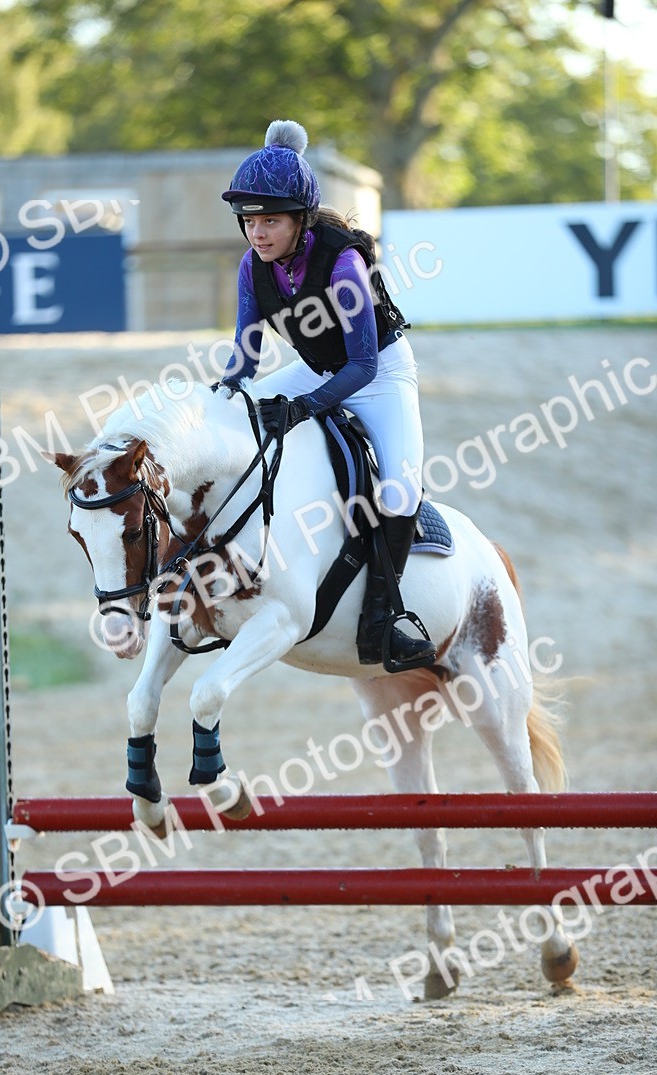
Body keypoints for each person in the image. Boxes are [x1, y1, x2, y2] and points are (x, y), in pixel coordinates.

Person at [218, 118, 436, 673]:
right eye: (249, 221)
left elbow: (363, 365)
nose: (257, 233)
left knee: (398, 491)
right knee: (235, 416)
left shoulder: (343, 263)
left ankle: (386, 616)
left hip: (381, 374)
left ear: (301, 220)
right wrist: (222, 393)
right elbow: (245, 358)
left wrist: (307, 406)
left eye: (270, 221)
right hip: (316, 369)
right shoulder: (252, 267)